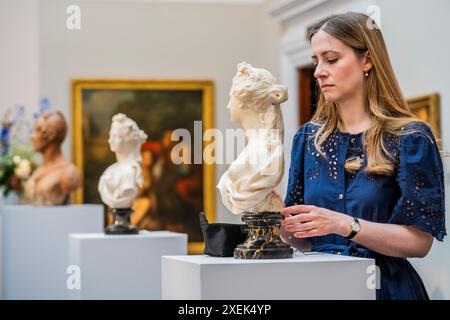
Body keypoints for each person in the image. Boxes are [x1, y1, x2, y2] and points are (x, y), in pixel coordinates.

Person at [281, 12, 446, 300]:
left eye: (331, 59)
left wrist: (346, 224)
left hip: (386, 290)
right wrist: (275, 216)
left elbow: (420, 244)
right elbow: (300, 240)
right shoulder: (308, 139)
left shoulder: (411, 138)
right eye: (316, 61)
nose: (319, 71)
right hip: (319, 289)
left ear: (367, 60)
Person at [217, 62, 288, 214]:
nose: (228, 106)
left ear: (243, 101)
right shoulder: (257, 146)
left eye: (231, 98)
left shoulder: (263, 151)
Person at [23, 111, 81, 205]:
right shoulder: (38, 170)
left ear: (51, 135)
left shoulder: (68, 172)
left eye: (37, 130)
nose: (32, 136)